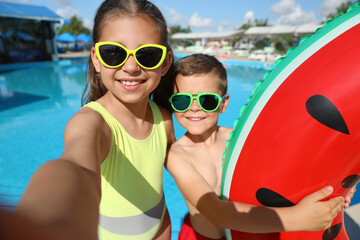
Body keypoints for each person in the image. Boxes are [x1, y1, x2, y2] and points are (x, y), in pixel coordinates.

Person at [5, 0, 175, 239]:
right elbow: (76, 167)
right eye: (114, 53)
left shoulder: (163, 119)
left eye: (147, 55)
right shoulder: (91, 123)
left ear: (165, 62)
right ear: (96, 59)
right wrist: (45, 217)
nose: (131, 67)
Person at [165, 53, 352, 240]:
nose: (194, 108)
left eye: (207, 100)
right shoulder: (178, 156)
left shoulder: (238, 139)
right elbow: (217, 213)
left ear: (223, 104)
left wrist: (340, 189)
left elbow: (292, 168)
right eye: (183, 100)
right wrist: (299, 218)